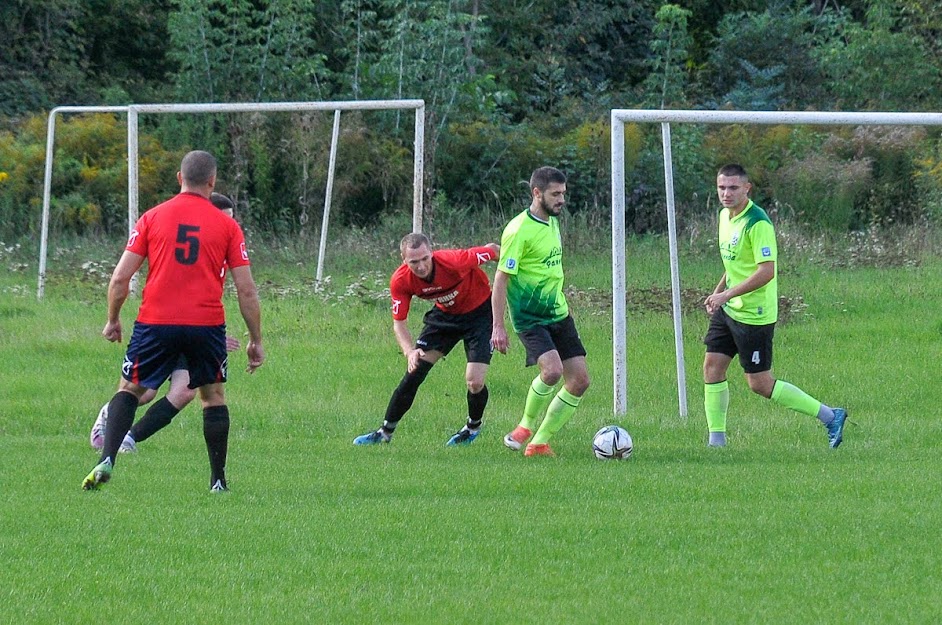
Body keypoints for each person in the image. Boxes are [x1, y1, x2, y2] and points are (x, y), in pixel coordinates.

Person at [82, 151, 264, 492]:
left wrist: (112, 320)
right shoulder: (227, 226)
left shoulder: (152, 217)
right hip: (206, 324)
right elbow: (247, 291)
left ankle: (107, 458)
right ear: (212, 182)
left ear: (179, 179)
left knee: (131, 389)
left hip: (155, 322)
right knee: (212, 397)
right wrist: (256, 340)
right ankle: (218, 481)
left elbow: (120, 278)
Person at [702, 163, 847, 448]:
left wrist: (727, 295)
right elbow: (735, 263)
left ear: (747, 188)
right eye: (721, 187)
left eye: (733, 188)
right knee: (712, 368)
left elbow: (766, 271)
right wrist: (718, 293)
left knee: (759, 384)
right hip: (730, 309)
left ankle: (830, 416)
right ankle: (716, 442)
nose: (726, 193)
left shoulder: (758, 223)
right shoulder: (724, 217)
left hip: (754, 315)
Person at [88, 193, 240, 454]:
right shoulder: (186, 236)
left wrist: (213, 337)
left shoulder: (223, 245)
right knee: (144, 393)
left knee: (185, 392)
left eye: (230, 220)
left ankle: (130, 439)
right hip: (165, 326)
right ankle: (107, 418)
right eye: (223, 218)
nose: (227, 224)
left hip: (197, 331)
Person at [353, 233, 499, 446]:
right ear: (404, 261)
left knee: (474, 381)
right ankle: (384, 433)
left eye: (424, 259)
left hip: (480, 315)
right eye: (414, 262)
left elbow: (493, 249)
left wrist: (517, 275)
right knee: (415, 370)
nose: (421, 266)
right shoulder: (401, 280)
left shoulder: (455, 260)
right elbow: (399, 323)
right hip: (445, 318)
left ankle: (472, 428)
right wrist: (409, 351)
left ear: (431, 253)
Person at [491, 166, 590, 457]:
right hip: (530, 318)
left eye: (563, 193)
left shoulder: (552, 222)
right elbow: (500, 279)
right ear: (537, 193)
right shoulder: (518, 229)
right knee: (552, 371)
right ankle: (524, 426)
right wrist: (498, 326)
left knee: (580, 381)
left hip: (559, 313)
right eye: (555, 194)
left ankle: (539, 442)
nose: (562, 200)